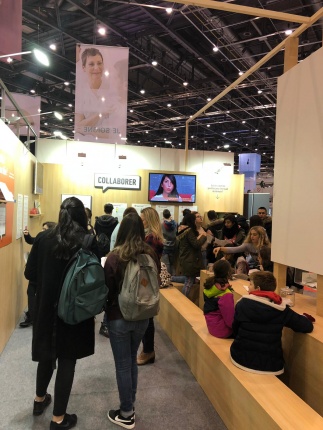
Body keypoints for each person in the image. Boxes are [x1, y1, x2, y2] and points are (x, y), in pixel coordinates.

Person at [24, 197, 98, 429]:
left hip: (45, 307)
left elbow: (30, 274)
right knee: (68, 359)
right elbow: (94, 278)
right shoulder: (87, 240)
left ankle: (39, 400)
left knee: (47, 353)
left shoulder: (44, 238)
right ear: (82, 217)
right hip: (75, 310)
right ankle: (58, 418)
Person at [104, 212, 160, 429]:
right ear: (140, 229)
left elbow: (107, 289)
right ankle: (130, 405)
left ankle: (126, 413)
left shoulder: (115, 256)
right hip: (144, 315)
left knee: (123, 365)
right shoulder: (151, 254)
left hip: (119, 316)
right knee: (131, 360)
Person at [230, 271, 314, 374]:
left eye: (250, 284)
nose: (249, 286)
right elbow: (306, 326)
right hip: (270, 365)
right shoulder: (281, 309)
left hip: (240, 357)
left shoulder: (242, 304)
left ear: (258, 288)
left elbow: (235, 329)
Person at [74, 47, 126, 142]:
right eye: (91, 64)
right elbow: (78, 126)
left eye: (99, 63)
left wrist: (87, 129)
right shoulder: (81, 92)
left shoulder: (113, 90)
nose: (96, 68)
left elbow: (116, 132)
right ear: (84, 68)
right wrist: (100, 114)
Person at [137, 207, 164, 366]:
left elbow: (145, 260)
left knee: (147, 315)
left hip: (147, 279)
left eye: (143, 219)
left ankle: (148, 351)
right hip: (147, 279)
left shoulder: (151, 239)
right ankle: (147, 350)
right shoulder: (149, 237)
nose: (141, 222)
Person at [20, 221, 57, 328]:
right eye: (42, 229)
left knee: (36, 293)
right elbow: (32, 240)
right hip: (37, 274)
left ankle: (34, 316)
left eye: (44, 229)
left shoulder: (50, 243)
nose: (42, 231)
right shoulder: (42, 238)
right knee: (32, 292)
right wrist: (27, 235)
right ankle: (32, 315)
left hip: (42, 274)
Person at [95, 203, 119, 338]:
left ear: (104, 209)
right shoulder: (115, 221)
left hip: (101, 248)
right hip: (110, 249)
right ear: (112, 210)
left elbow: (97, 234)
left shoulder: (98, 221)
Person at [176, 212, 207, 297]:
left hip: (186, 259)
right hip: (191, 260)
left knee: (189, 279)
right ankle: (183, 301)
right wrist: (203, 236)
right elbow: (196, 244)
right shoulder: (189, 231)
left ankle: (171, 278)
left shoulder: (183, 230)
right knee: (189, 281)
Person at [203, 260, 234, 338]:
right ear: (228, 274)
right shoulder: (226, 294)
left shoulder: (209, 287)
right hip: (222, 330)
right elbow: (230, 322)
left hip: (211, 326)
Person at [161, 208, 177, 275]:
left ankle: (168, 278)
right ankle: (174, 278)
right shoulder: (175, 223)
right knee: (173, 264)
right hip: (173, 245)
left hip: (165, 246)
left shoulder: (162, 224)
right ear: (170, 214)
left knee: (166, 264)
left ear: (163, 215)